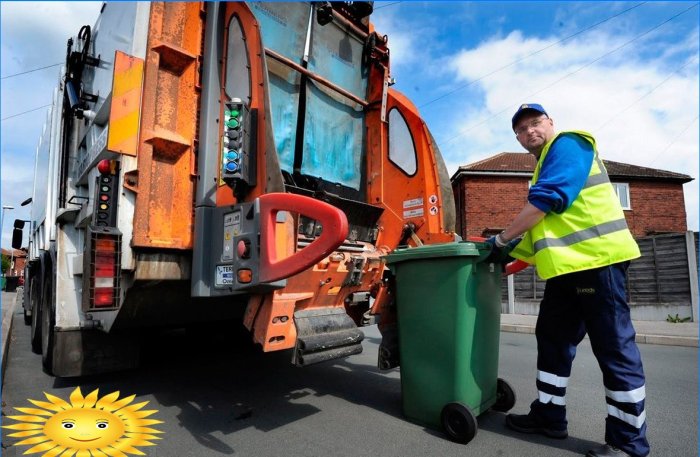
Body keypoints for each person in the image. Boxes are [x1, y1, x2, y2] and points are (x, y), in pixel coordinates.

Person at [486, 104, 649, 457]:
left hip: (599, 263)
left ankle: (628, 443)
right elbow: (534, 240)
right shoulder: (542, 167)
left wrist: (499, 241)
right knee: (553, 340)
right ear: (516, 138)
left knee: (615, 349)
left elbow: (547, 201)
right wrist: (500, 263)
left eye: (535, 123)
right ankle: (549, 416)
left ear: (551, 123)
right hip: (565, 273)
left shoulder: (569, 145)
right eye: (521, 129)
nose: (530, 131)